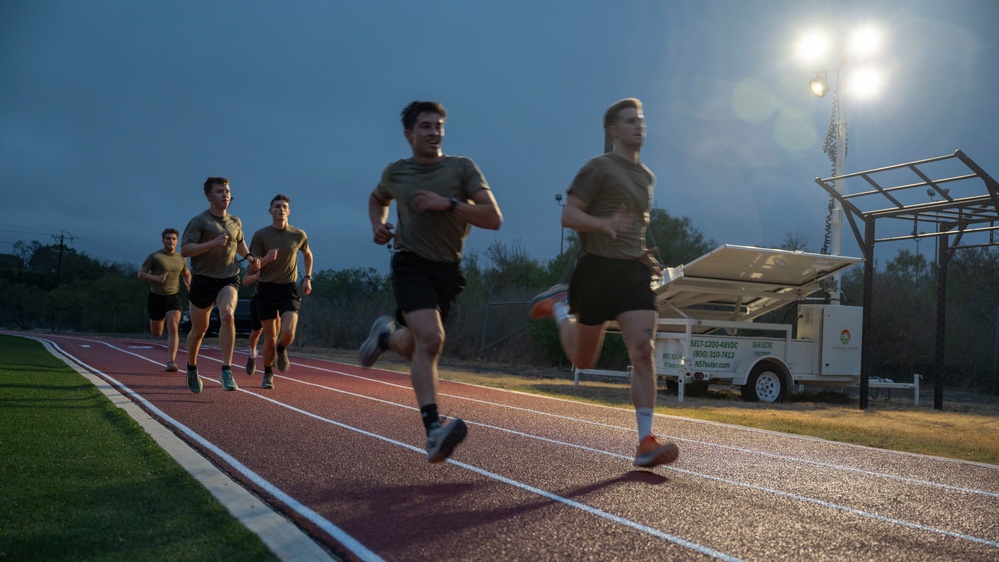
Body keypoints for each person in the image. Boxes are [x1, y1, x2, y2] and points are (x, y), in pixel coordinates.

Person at [529, 98, 679, 469]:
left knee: (643, 350)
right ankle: (560, 307)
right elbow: (569, 214)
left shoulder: (647, 177)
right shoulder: (598, 167)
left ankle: (645, 440)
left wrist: (643, 255)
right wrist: (602, 225)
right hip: (596, 271)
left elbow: (632, 227)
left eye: (641, 120)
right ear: (613, 130)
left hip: (632, 273)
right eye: (630, 121)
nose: (638, 126)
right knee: (583, 359)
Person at [359, 100, 503, 463]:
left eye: (438, 125)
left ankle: (385, 336)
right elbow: (378, 199)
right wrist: (378, 224)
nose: (434, 131)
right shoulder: (397, 172)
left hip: (447, 270)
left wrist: (449, 204)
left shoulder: (462, 168)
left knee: (418, 345)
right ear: (409, 134)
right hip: (410, 262)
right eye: (425, 126)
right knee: (433, 338)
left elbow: (493, 218)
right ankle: (434, 429)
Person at [180, 176, 258, 393]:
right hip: (203, 279)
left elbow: (239, 242)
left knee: (227, 315)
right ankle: (192, 367)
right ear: (209, 196)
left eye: (227, 191)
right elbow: (185, 250)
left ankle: (226, 370)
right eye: (220, 191)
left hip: (228, 277)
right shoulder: (200, 221)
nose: (226, 195)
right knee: (199, 330)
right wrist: (211, 243)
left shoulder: (235, 221)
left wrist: (250, 256)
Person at [248, 194, 313, 389]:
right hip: (266, 288)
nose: (281, 209)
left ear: (289, 211)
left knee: (288, 332)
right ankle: (268, 373)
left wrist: (308, 278)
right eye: (277, 206)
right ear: (270, 211)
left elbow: (308, 254)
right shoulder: (261, 235)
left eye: (284, 206)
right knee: (269, 338)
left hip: (289, 288)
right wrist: (267, 259)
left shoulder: (298, 234)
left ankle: (282, 348)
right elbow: (253, 267)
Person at [137, 228, 191, 372]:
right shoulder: (154, 257)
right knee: (157, 333)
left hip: (174, 296)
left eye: (173, 239)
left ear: (177, 241)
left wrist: (188, 283)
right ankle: (157, 324)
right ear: (163, 240)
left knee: (173, 326)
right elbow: (141, 274)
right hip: (156, 297)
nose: (171, 241)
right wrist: (156, 278)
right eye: (168, 238)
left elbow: (186, 274)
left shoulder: (181, 258)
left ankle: (171, 361)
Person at [242, 268, 263, 377]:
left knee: (273, 331)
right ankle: (252, 354)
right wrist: (255, 276)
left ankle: (268, 370)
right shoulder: (258, 260)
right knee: (257, 331)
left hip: (276, 298)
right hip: (259, 298)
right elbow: (245, 281)